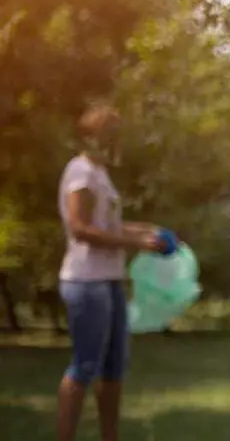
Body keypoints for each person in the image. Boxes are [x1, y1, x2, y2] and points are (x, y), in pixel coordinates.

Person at [57, 103, 168, 441]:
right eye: (110, 135)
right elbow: (81, 229)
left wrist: (147, 231)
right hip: (86, 282)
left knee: (114, 369)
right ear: (91, 137)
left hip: (109, 282)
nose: (116, 142)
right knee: (85, 367)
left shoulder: (100, 173)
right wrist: (138, 244)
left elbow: (111, 226)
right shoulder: (81, 173)